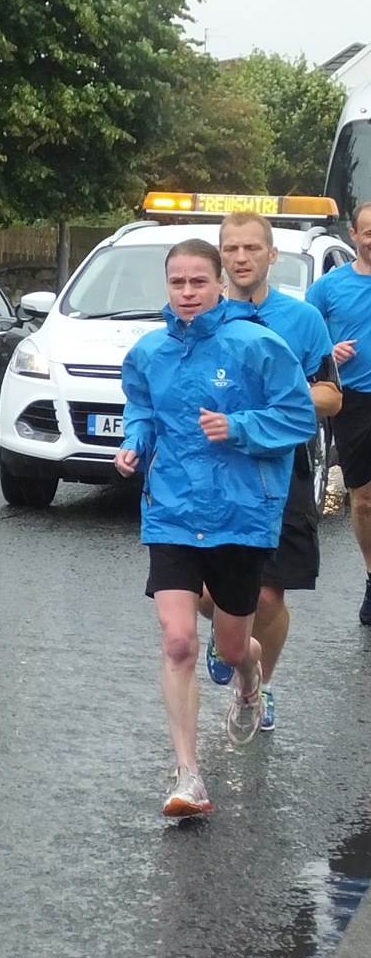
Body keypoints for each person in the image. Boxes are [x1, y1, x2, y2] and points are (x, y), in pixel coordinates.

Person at [115, 238, 315, 819]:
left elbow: (299, 415)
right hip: (172, 510)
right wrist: (133, 444)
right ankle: (188, 774)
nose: (186, 293)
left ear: (219, 282)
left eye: (197, 282)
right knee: (178, 641)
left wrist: (239, 425)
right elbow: (142, 411)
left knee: (231, 647)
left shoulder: (257, 344)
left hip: (240, 513)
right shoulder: (150, 351)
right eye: (177, 283)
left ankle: (250, 681)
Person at [197, 212, 342, 734]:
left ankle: (255, 688)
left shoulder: (301, 320)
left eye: (252, 248)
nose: (241, 258)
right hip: (214, 469)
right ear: (221, 256)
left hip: (283, 470)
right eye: (231, 249)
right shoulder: (202, 313)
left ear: (271, 255)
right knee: (203, 592)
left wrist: (277, 398)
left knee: (269, 594)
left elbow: (330, 395)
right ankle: (225, 632)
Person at [305, 201, 371, 624]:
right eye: (369, 231)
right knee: (363, 501)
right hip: (355, 398)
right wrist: (329, 350)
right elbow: (305, 335)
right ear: (355, 235)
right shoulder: (329, 288)